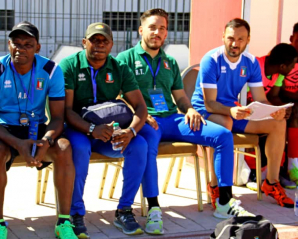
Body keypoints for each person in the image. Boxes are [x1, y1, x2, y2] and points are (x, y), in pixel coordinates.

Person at [117, 8, 254, 222]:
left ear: (166, 33)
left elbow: (180, 97)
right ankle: (154, 209)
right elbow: (116, 96)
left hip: (172, 119)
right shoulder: (124, 59)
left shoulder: (170, 62)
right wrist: (138, 114)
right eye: (152, 27)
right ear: (141, 30)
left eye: (162, 28)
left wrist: (189, 109)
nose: (157, 32)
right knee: (148, 144)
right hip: (146, 120)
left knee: (222, 136)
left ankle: (224, 203)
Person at [59, 22, 159, 237]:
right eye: (94, 40)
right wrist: (91, 128)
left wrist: (130, 131)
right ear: (84, 42)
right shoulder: (69, 65)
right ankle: (75, 213)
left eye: (104, 41)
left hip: (109, 130)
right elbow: (66, 110)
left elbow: (140, 106)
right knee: (78, 148)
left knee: (140, 144)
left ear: (111, 45)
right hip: (79, 129)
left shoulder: (119, 68)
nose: (99, 45)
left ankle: (124, 210)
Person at [0, 21, 76, 239]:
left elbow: (58, 117)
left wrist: (47, 141)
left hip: (36, 129)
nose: (20, 49)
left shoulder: (51, 70)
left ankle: (64, 222)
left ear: (37, 48)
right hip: (3, 130)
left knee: (64, 147)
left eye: (27, 44)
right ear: (8, 44)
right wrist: (18, 144)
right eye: (16, 43)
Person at [191, 18, 295, 208]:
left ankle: (271, 183)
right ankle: (216, 186)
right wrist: (231, 110)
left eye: (240, 39)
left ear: (248, 40)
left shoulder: (251, 62)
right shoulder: (211, 59)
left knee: (278, 123)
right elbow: (210, 103)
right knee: (224, 124)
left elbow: (260, 99)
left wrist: (273, 112)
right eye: (230, 38)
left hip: (234, 111)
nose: (235, 43)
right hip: (205, 112)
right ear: (223, 37)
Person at [245, 43, 298, 190]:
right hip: (242, 110)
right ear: (282, 66)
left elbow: (273, 96)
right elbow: (242, 95)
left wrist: (282, 108)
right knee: (270, 122)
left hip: (261, 108)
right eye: (292, 65)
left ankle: (275, 171)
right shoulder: (256, 66)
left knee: (281, 119)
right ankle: (255, 171)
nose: (293, 69)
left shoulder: (278, 74)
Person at [264, 23, 298, 185]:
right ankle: (268, 170)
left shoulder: (280, 71)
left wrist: (285, 107)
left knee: (285, 115)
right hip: (250, 109)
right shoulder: (261, 64)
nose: (293, 69)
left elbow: (274, 95)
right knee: (280, 119)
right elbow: (245, 96)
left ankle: (285, 168)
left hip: (268, 106)